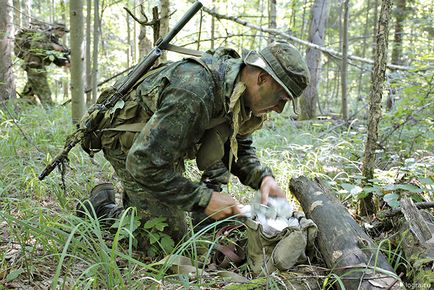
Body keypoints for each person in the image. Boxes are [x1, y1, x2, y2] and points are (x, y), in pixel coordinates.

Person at [78, 42, 310, 246]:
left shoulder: (239, 89)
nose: (280, 109)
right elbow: (143, 163)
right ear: (261, 79)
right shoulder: (195, 91)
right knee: (165, 238)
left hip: (171, 139)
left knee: (201, 209)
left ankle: (182, 210)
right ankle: (103, 210)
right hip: (132, 143)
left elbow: (237, 143)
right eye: (281, 99)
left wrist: (263, 179)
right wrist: (204, 200)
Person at [15, 22, 70, 105]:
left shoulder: (53, 39)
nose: (63, 34)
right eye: (62, 31)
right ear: (57, 29)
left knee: (28, 93)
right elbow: (35, 47)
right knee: (45, 93)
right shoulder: (43, 35)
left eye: (64, 32)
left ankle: (21, 108)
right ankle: (51, 112)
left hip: (37, 67)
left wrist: (64, 62)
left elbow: (54, 56)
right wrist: (52, 46)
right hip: (34, 66)